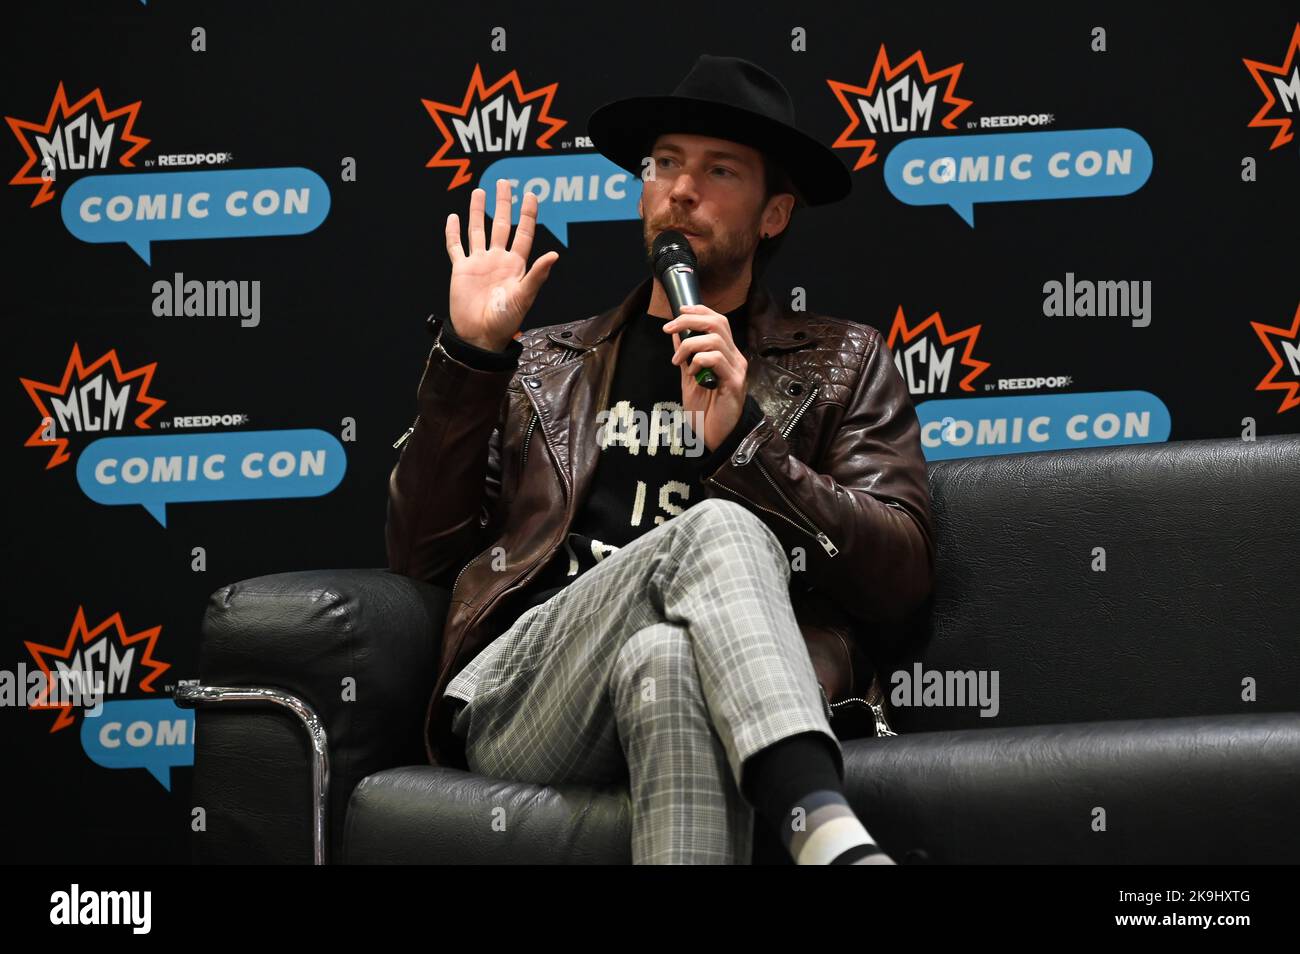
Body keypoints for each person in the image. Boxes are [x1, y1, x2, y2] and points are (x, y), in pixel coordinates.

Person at [386, 54, 935, 864]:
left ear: (775, 213)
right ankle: (824, 830)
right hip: (530, 693)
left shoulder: (842, 362)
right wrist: (472, 358)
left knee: (671, 660)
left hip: (697, 679)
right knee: (719, 529)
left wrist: (747, 444)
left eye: (718, 171)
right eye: (665, 164)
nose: (681, 189)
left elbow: (899, 581)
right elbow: (421, 555)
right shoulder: (542, 363)